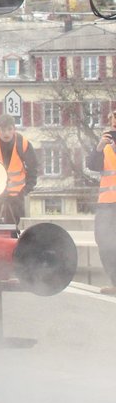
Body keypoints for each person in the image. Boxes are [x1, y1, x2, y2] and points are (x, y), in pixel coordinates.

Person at [0, 113, 38, 225]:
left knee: (15, 227)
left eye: (10, 129)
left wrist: (26, 189)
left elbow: (33, 167)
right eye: (3, 130)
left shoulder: (23, 143)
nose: (6, 133)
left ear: (14, 129)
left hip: (16, 194)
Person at [86, 109, 116, 294]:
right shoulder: (105, 145)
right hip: (106, 204)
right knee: (104, 242)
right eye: (113, 119)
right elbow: (92, 165)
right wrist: (98, 148)